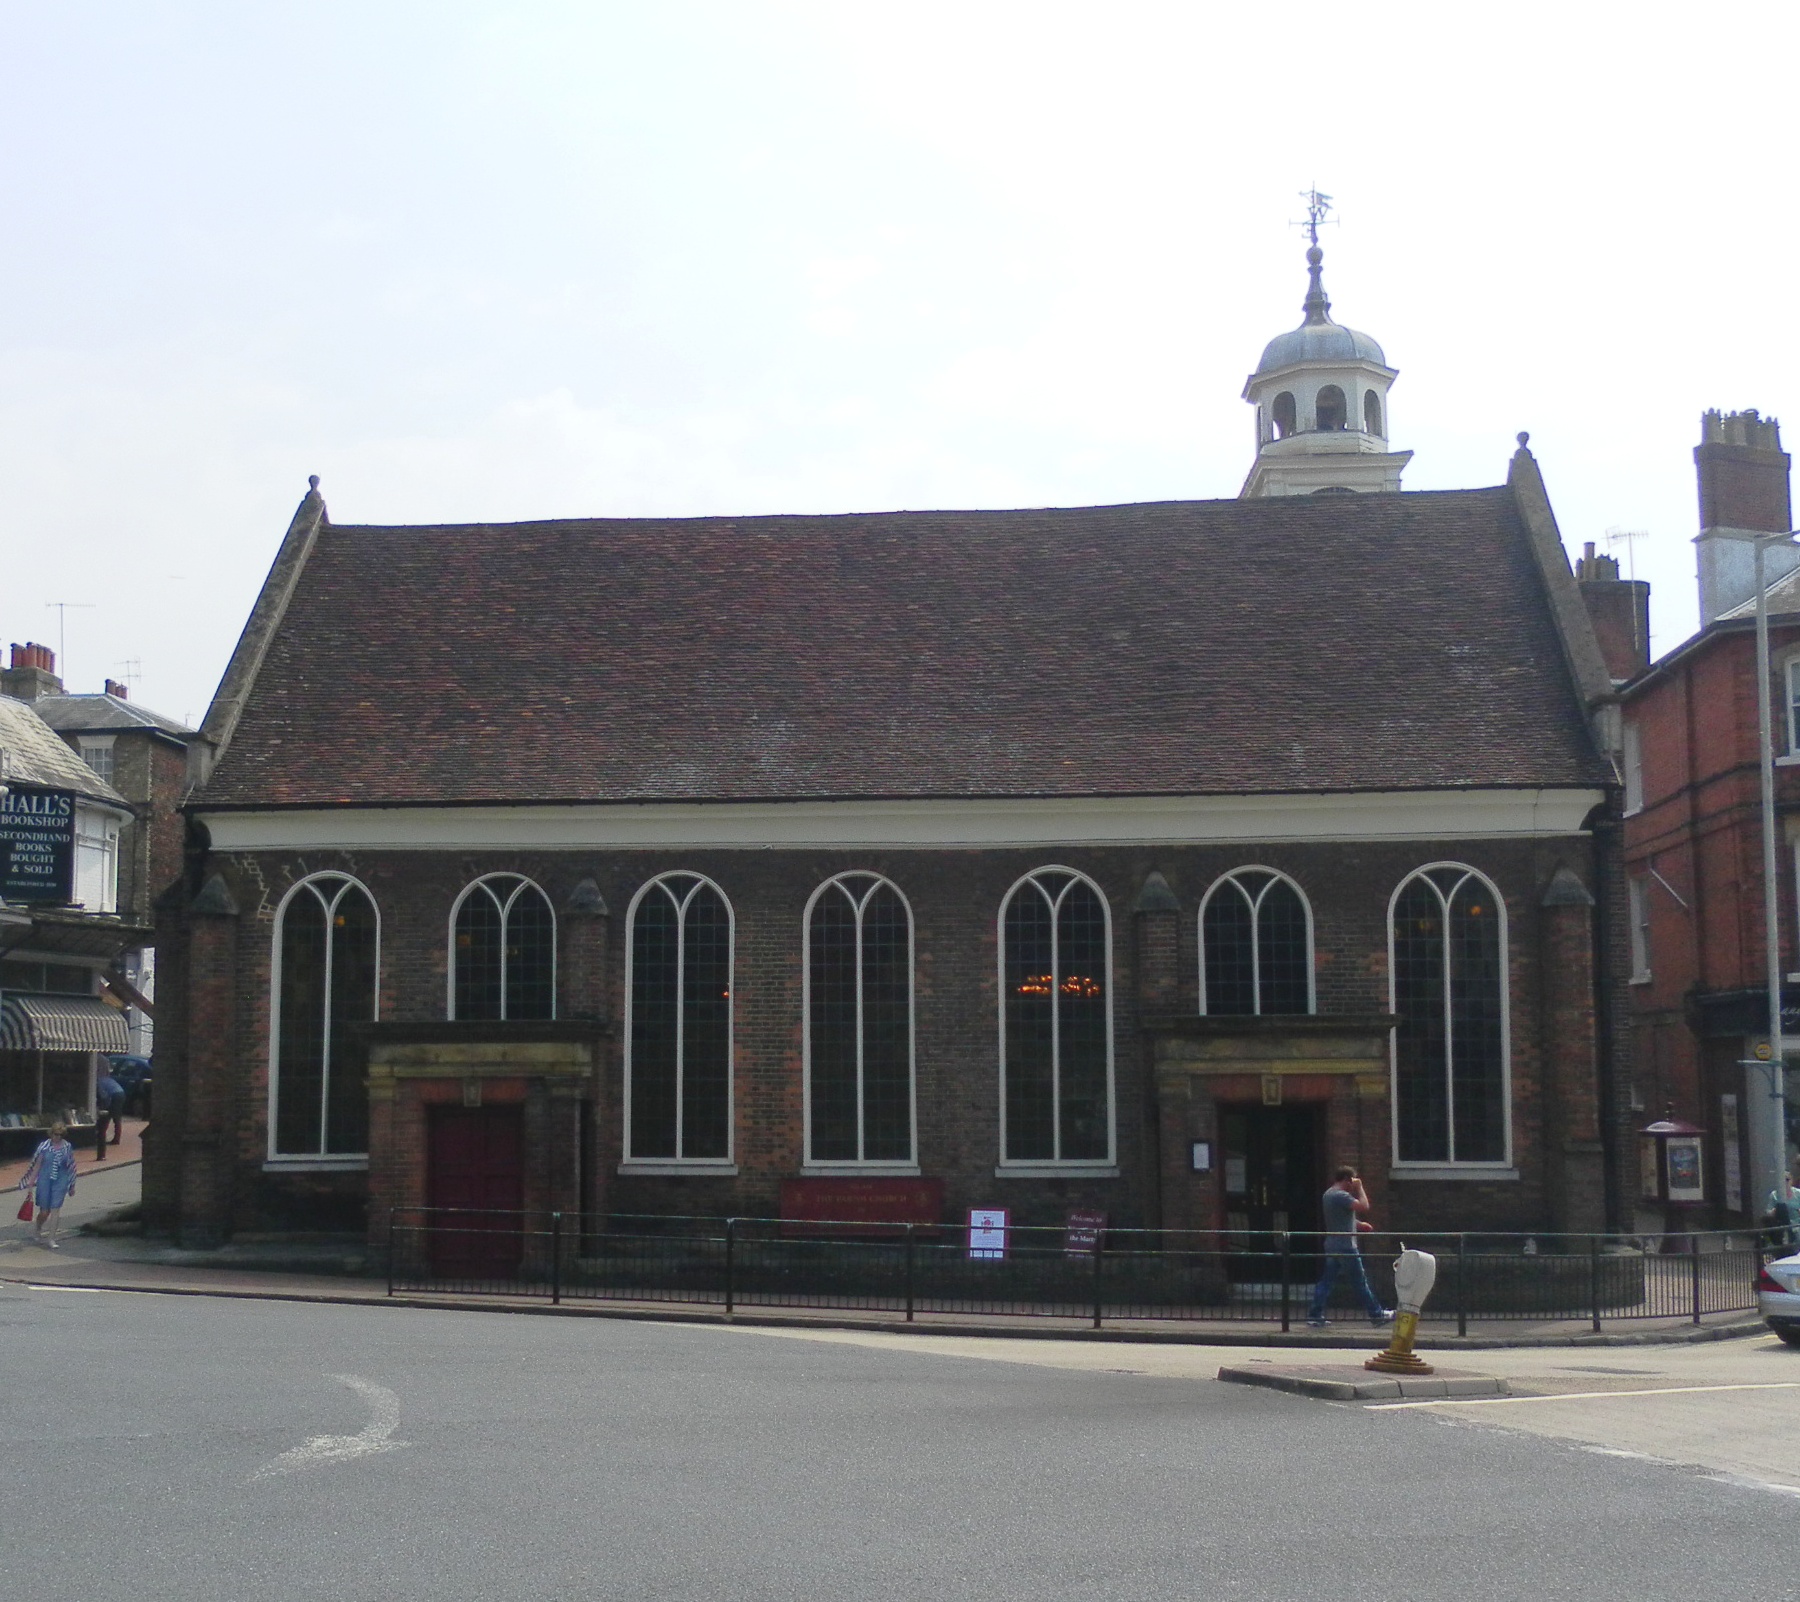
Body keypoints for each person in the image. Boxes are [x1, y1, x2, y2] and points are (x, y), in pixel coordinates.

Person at [1307, 1166, 1393, 1329]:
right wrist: (1360, 1188)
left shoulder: (1329, 1194)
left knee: (1327, 1281)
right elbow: (1364, 1206)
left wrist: (1359, 1225)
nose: (1353, 1185)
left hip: (1332, 1245)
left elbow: (1340, 1219)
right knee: (1360, 1282)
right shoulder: (1341, 1195)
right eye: (1352, 1181)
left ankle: (1315, 1315)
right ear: (1347, 1180)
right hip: (1346, 1246)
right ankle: (1377, 1314)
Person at [18, 1122, 77, 1249]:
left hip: (60, 1180)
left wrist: (72, 1185)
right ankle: (38, 1228)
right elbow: (37, 1166)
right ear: (51, 1134)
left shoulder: (67, 1147)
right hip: (44, 1180)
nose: (58, 1137)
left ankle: (51, 1238)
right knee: (45, 1212)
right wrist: (30, 1185)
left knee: (55, 1209)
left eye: (61, 1135)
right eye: (56, 1134)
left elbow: (71, 1166)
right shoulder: (44, 1147)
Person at [94, 1068, 125, 1159]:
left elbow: (104, 1096)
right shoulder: (107, 1079)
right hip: (121, 1093)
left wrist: (103, 1107)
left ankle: (104, 1133)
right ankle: (116, 1137)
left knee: (107, 1116)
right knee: (117, 1117)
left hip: (115, 1096)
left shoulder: (99, 1083)